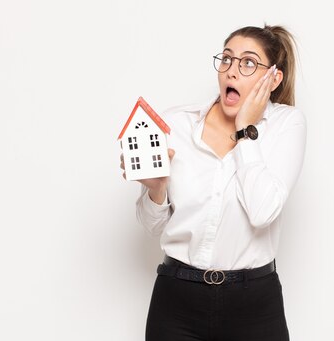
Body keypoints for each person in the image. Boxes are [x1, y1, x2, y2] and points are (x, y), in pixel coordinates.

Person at [120, 24, 306, 341]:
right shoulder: (175, 124)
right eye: (227, 60)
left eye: (248, 63)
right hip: (177, 299)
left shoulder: (285, 125)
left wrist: (246, 129)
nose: (232, 71)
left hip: (254, 304)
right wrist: (156, 189)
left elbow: (263, 211)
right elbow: (152, 227)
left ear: (273, 78)